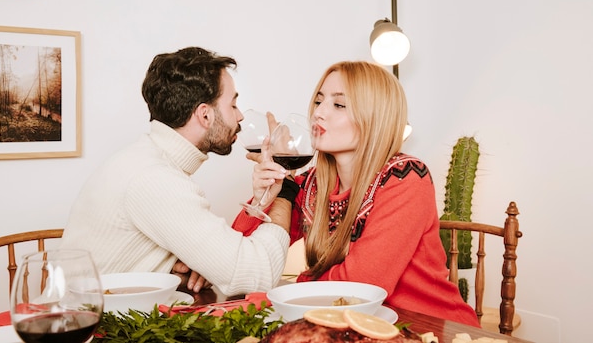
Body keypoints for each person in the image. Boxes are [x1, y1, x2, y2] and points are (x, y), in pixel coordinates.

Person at [232, 60, 480, 327]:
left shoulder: (406, 176)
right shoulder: (313, 184)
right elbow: (243, 258)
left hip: (433, 328)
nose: (318, 113)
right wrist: (266, 194)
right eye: (318, 101)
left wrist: (291, 291)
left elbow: (361, 286)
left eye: (338, 105)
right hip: (357, 326)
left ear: (374, 117)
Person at [60, 47, 292, 296]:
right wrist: (285, 190)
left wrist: (188, 264)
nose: (240, 116)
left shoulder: (146, 161)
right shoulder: (155, 179)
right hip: (81, 328)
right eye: (233, 104)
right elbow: (258, 274)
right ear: (205, 114)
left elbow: (222, 257)